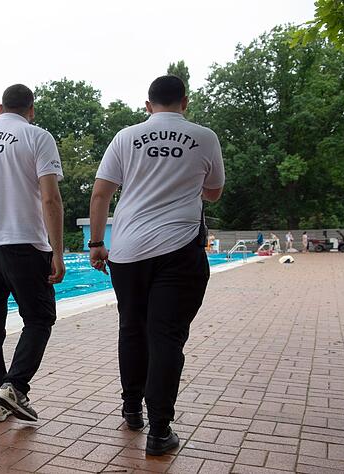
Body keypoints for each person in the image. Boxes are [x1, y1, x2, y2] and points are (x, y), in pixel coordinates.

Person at [88, 75, 224, 456]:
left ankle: (132, 409)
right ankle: (159, 430)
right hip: (178, 250)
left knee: (132, 327)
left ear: (148, 106)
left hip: (127, 251)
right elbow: (214, 192)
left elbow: (100, 193)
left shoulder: (126, 137)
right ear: (185, 102)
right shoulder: (204, 137)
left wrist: (97, 243)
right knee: (165, 336)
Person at [0, 84, 65, 424]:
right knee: (39, 318)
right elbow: (50, 199)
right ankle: (14, 387)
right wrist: (57, 251)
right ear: (31, 110)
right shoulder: (38, 137)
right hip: (23, 244)